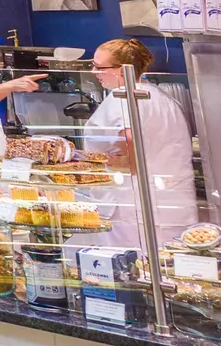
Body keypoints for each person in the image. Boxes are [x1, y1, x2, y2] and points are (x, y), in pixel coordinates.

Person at [81, 37, 198, 242]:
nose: (93, 72)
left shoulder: (122, 96)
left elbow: (129, 136)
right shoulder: (160, 96)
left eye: (99, 67)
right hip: (171, 204)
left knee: (134, 268)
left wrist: (127, 164)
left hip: (134, 207)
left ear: (121, 69)